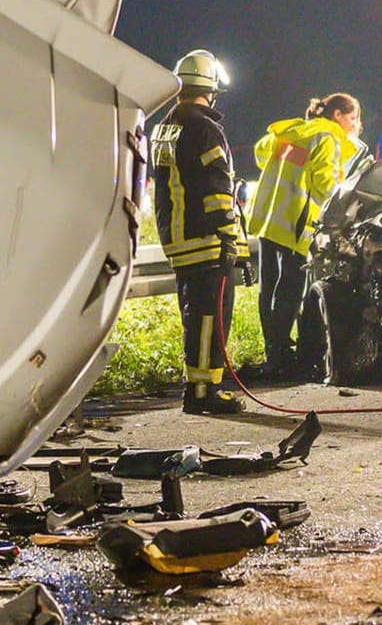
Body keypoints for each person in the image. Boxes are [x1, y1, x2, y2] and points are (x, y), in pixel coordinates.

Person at [151, 49, 249, 415]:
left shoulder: (167, 126)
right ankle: (207, 391)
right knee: (211, 317)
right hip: (207, 238)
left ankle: (196, 386)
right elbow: (217, 188)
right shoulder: (205, 128)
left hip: (178, 239)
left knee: (194, 316)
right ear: (211, 89)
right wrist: (228, 237)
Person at [245, 93, 363, 381]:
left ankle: (274, 353)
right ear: (337, 115)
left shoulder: (292, 132)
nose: (356, 125)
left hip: (270, 222)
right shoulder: (328, 136)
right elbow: (326, 185)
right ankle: (285, 358)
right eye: (353, 118)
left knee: (268, 290)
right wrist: (352, 207)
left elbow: (262, 154)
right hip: (296, 226)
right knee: (290, 292)